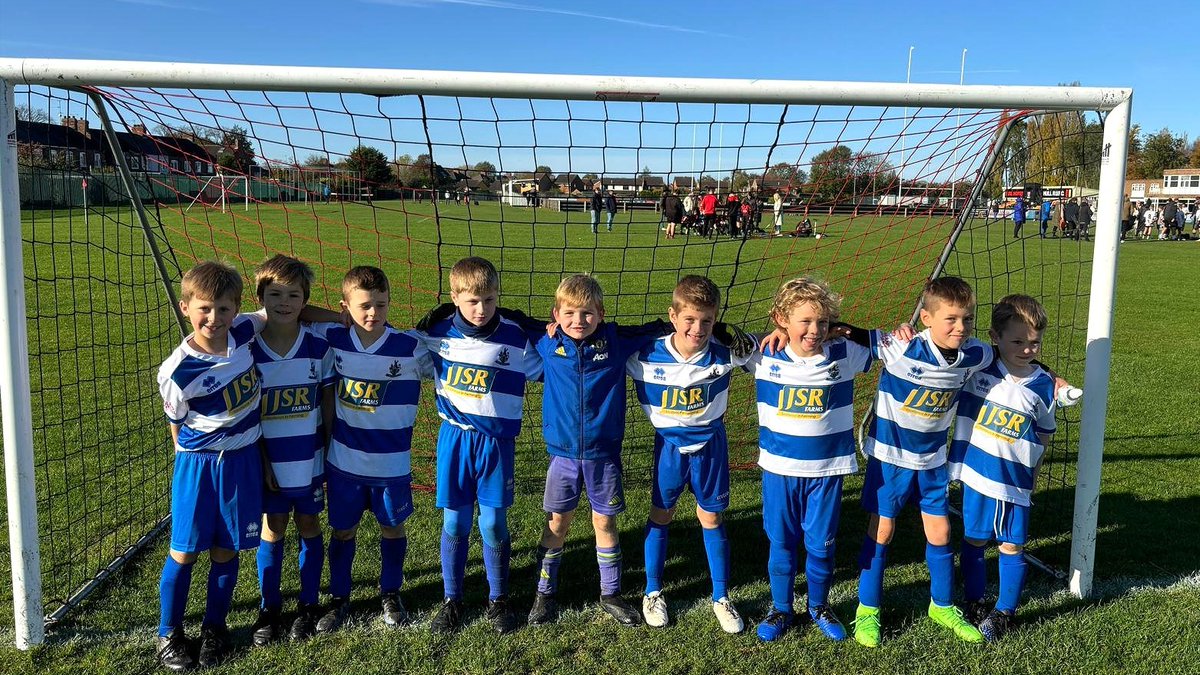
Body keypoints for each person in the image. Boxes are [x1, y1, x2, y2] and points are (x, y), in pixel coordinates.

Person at [853, 277, 995, 648]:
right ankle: (867, 610)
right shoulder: (902, 348)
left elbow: (1008, 355)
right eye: (950, 319)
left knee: (942, 533)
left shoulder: (976, 354)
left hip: (933, 461)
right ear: (926, 319)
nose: (960, 328)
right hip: (890, 459)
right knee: (882, 531)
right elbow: (849, 334)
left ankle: (942, 605)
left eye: (966, 319)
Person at [417, 257, 543, 634]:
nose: (481, 309)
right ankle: (452, 599)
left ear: (497, 295)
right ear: (454, 297)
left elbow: (554, 370)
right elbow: (391, 348)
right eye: (471, 301)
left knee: (492, 522)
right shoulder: (434, 335)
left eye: (488, 300)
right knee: (454, 521)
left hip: (496, 445)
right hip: (454, 440)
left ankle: (498, 599)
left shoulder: (517, 338)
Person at [747, 277, 875, 643]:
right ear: (781, 319)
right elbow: (720, 337)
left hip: (827, 471)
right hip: (779, 470)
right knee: (782, 543)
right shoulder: (764, 353)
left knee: (821, 544)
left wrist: (846, 329)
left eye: (822, 322)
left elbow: (890, 346)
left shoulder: (844, 352)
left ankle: (819, 605)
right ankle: (781, 608)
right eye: (804, 321)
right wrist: (774, 330)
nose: (814, 330)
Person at [626, 276, 756, 634]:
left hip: (711, 446)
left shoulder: (725, 351)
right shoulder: (644, 354)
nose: (697, 328)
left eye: (707, 321)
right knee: (661, 515)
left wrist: (730, 332)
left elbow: (763, 349)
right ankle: (653, 590)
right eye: (689, 319)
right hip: (668, 447)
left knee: (711, 519)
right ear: (673, 315)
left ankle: (721, 596)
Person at [310, 266, 434, 637]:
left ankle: (391, 593)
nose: (373, 313)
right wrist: (338, 317)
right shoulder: (334, 336)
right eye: (363, 305)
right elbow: (294, 312)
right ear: (346, 305)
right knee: (343, 532)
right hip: (344, 463)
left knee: (392, 529)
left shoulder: (411, 347)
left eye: (381, 304)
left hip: (391, 465)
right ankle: (340, 598)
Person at [155, 261, 266, 670]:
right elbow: (177, 430)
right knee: (184, 552)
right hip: (198, 467)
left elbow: (284, 309)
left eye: (223, 308)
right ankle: (169, 634)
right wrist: (195, 469)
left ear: (236, 309)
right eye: (204, 308)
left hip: (243, 462)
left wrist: (341, 316)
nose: (214, 318)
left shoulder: (244, 331)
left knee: (226, 549)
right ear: (186, 308)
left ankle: (214, 628)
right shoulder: (177, 372)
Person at [950, 295, 1060, 642]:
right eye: (1017, 341)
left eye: (1034, 342)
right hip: (976, 475)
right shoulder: (977, 367)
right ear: (994, 337)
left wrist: (1034, 473)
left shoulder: (1044, 385)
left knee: (1012, 545)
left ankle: (1004, 612)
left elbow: (1043, 434)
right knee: (974, 539)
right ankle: (975, 601)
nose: (1027, 349)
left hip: (1015, 483)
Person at [248, 255, 335, 646]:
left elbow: (328, 404)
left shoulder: (318, 346)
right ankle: (269, 608)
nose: (284, 302)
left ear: (305, 300)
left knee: (310, 526)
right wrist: (262, 459)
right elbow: (246, 414)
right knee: (273, 528)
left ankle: (307, 604)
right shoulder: (247, 349)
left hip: (311, 459)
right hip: (269, 462)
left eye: (293, 295)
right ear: (260, 297)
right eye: (275, 294)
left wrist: (331, 453)